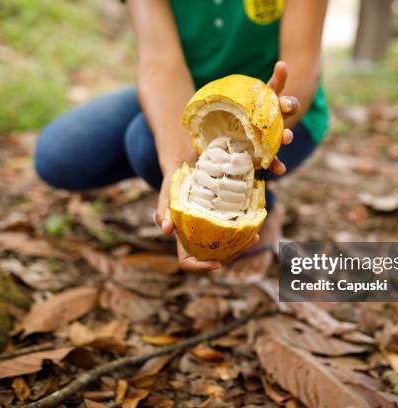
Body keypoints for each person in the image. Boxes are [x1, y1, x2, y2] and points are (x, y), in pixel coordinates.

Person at [35, 0, 329, 280]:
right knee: (59, 154)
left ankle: (259, 202)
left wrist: (262, 125)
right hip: (187, 90)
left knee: (144, 142)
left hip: (275, 106)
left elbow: (301, 67)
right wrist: (176, 165)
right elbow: (160, 63)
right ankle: (233, 196)